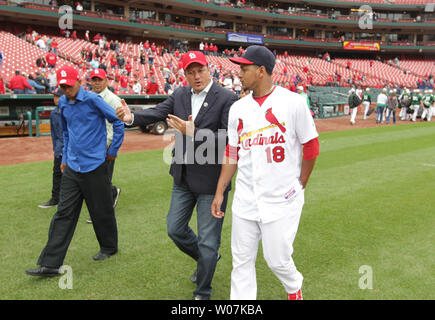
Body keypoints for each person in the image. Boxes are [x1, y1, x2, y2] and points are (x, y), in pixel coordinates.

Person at [116, 51, 238, 300]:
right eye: (190, 72)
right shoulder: (180, 94)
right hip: (182, 177)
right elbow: (158, 111)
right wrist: (131, 117)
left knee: (207, 240)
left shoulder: (227, 98)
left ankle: (202, 291)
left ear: (209, 69)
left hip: (211, 181)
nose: (196, 76)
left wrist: (196, 132)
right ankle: (208, 258)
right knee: (175, 229)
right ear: (184, 74)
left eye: (200, 70)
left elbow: (230, 140)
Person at [211, 45, 319, 300]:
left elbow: (311, 146)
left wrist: (301, 182)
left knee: (277, 260)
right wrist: (219, 191)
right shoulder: (238, 108)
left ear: (261, 71)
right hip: (246, 197)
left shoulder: (292, 102)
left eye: (244, 68)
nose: (239, 73)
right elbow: (231, 152)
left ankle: (294, 287)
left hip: (281, 198)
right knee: (241, 260)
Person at [25, 66, 125, 277]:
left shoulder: (93, 100)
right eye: (62, 86)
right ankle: (50, 264)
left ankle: (109, 247)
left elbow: (117, 122)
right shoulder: (62, 102)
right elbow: (67, 131)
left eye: (68, 86)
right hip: (73, 166)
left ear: (79, 81)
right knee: (63, 213)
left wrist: (113, 150)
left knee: (101, 210)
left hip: (96, 165)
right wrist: (66, 157)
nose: (65, 90)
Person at [86, 68, 123, 224]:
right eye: (94, 80)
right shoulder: (88, 97)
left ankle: (103, 214)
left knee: (102, 181)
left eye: (99, 79)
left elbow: (118, 125)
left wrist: (113, 147)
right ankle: (113, 191)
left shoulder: (113, 99)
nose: (97, 82)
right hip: (92, 145)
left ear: (106, 80)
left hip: (106, 145)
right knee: (96, 180)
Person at [38, 89, 64, 209]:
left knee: (80, 175)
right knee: (57, 173)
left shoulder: (70, 111)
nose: (56, 99)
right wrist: (55, 147)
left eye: (58, 96)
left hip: (71, 149)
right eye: (55, 97)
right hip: (59, 148)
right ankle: (55, 199)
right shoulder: (54, 113)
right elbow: (54, 132)